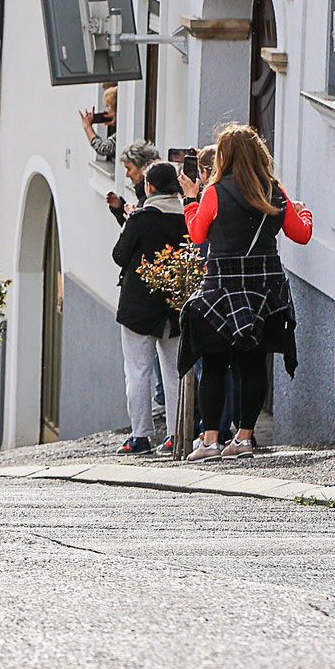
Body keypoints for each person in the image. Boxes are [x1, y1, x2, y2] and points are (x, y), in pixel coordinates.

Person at [180, 125, 312, 461]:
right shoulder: (274, 191)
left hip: (222, 288)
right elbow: (301, 235)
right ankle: (244, 439)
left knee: (214, 363)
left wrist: (190, 202)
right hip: (265, 289)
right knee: (253, 362)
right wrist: (304, 212)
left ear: (224, 156)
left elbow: (197, 235)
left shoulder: (214, 192)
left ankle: (209, 441)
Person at [112, 160, 190, 455]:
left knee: (138, 372)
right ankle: (174, 435)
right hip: (175, 305)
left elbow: (120, 256)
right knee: (174, 373)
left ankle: (140, 435)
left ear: (149, 187)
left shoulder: (141, 219)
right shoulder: (186, 218)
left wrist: (129, 221)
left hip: (138, 308)